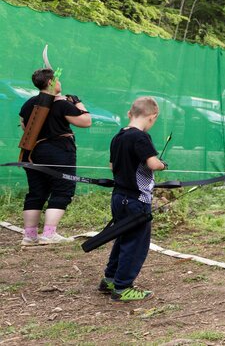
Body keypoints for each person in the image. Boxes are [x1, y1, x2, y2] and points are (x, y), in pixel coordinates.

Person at [98, 96, 166, 302]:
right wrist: (162, 164)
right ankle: (123, 287)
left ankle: (110, 278)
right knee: (135, 244)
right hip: (137, 200)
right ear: (152, 117)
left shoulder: (118, 136)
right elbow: (153, 164)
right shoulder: (140, 137)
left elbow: (112, 166)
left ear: (130, 114)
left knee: (123, 238)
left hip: (119, 197)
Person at [18, 68, 91, 245]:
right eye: (57, 80)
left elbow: (23, 126)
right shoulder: (61, 104)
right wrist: (78, 104)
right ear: (50, 83)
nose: (60, 83)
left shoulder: (28, 104)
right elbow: (86, 121)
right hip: (58, 152)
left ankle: (30, 236)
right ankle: (49, 234)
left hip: (33, 153)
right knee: (62, 188)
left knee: (36, 192)